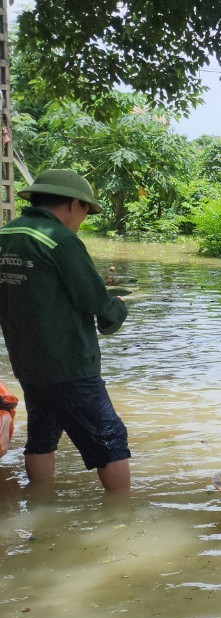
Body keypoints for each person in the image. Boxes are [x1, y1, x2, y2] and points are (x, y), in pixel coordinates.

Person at [0, 169, 131, 492]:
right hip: (69, 362)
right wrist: (117, 311)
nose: (83, 219)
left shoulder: (6, 235)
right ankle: (123, 515)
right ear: (74, 204)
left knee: (42, 435)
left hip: (27, 361)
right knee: (111, 439)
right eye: (86, 210)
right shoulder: (59, 239)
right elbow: (95, 298)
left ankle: (41, 502)